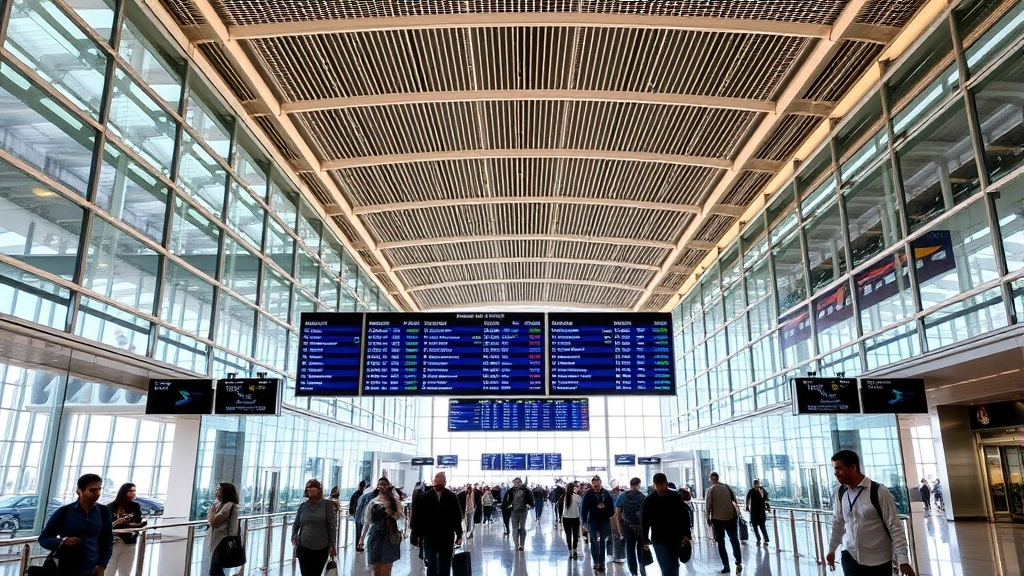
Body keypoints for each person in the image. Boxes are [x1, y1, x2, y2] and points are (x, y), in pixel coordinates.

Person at [827, 450, 916, 576]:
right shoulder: (840, 492)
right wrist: (832, 549)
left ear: (853, 468)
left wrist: (902, 559)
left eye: (839, 468)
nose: (836, 473)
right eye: (835, 469)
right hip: (850, 555)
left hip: (878, 560)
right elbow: (838, 522)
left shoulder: (879, 492)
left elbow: (894, 526)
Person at [39, 473, 113, 576]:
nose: (97, 494)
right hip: (67, 569)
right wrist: (63, 541)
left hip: (93, 569)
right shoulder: (64, 512)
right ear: (79, 491)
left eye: (99, 489)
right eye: (92, 490)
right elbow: (43, 539)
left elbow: (108, 540)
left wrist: (102, 565)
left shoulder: (103, 511)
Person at [410, 472, 463, 576]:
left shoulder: (451, 497)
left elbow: (457, 517)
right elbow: (418, 518)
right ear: (433, 482)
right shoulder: (424, 497)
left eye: (441, 483)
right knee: (431, 563)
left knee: (445, 563)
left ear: (445, 482)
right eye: (436, 482)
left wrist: (459, 534)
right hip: (430, 535)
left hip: (446, 535)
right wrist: (415, 536)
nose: (438, 485)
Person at [642, 473, 691, 576]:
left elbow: (684, 516)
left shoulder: (675, 497)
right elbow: (645, 520)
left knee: (674, 565)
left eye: (662, 484)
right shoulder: (649, 500)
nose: (660, 487)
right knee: (666, 566)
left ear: (666, 483)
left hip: (675, 537)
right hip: (658, 538)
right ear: (654, 484)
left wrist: (687, 534)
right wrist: (645, 538)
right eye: (658, 485)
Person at [292, 478, 337, 576]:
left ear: (318, 490)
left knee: (315, 573)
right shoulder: (303, 506)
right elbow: (296, 523)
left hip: (321, 547)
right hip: (303, 546)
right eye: (307, 488)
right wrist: (294, 536)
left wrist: (333, 545)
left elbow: (332, 526)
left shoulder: (327, 505)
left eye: (311, 487)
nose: (308, 490)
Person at [359, 477, 404, 576]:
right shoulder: (373, 502)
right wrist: (362, 538)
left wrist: (390, 513)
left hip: (390, 535)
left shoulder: (394, 502)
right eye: (380, 484)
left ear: (389, 486)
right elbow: (367, 521)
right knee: (376, 566)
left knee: (387, 567)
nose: (382, 486)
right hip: (375, 535)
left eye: (385, 484)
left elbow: (401, 516)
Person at [106, 482, 147, 576]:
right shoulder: (111, 506)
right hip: (115, 541)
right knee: (110, 568)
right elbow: (106, 525)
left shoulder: (135, 506)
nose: (133, 493)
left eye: (134, 491)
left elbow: (138, 522)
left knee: (126, 569)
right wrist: (115, 523)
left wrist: (127, 524)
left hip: (130, 540)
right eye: (130, 491)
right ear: (124, 492)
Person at [705, 471, 742, 574]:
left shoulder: (710, 490)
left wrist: (707, 518)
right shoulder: (727, 487)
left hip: (717, 520)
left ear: (711, 479)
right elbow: (735, 500)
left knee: (721, 543)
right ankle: (738, 562)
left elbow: (708, 505)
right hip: (731, 517)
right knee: (734, 539)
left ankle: (726, 566)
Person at [581, 475, 615, 573]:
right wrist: (584, 522)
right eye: (593, 483)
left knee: (602, 542)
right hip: (592, 521)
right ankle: (596, 561)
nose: (595, 485)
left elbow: (611, 509)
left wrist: (604, 507)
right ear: (592, 484)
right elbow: (584, 509)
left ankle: (602, 562)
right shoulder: (589, 494)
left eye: (597, 483)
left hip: (604, 521)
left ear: (600, 482)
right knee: (593, 541)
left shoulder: (606, 494)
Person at [615, 477, 647, 576]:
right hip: (640, 527)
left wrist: (619, 527)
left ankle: (633, 572)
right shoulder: (642, 496)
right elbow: (646, 515)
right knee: (640, 548)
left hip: (627, 526)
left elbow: (617, 513)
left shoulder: (622, 495)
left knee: (630, 548)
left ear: (630, 485)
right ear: (639, 484)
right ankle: (642, 569)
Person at [206, 482, 239, 576]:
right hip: (217, 542)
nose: (216, 490)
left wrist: (212, 512)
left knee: (214, 571)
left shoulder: (229, 505)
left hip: (223, 542)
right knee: (216, 570)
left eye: (218, 489)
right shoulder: (219, 505)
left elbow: (214, 523)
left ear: (225, 492)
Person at [502, 477, 534, 551]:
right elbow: (506, 502)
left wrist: (528, 506)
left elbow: (531, 500)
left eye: (518, 482)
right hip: (514, 511)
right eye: (516, 482)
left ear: (521, 482)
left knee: (522, 527)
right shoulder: (510, 491)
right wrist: (509, 507)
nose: (517, 484)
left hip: (523, 511)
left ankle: (521, 545)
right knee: (515, 528)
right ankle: (516, 544)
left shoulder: (526, 490)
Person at [560, 481, 583, 559]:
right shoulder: (577, 497)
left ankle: (570, 553)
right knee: (575, 535)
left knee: (568, 535)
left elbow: (559, 507)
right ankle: (575, 551)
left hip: (565, 518)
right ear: (573, 489)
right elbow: (582, 505)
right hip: (575, 518)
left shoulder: (563, 497)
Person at [745, 479, 770, 547]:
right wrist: (747, 506)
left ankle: (764, 540)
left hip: (759, 512)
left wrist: (762, 490)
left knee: (761, 527)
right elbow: (747, 499)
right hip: (755, 512)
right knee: (757, 527)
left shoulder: (762, 490)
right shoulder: (752, 491)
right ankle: (760, 539)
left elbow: (766, 497)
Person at [355, 484, 379, 553]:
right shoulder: (372, 497)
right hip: (361, 516)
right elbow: (365, 510)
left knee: (359, 532)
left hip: (359, 515)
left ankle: (359, 546)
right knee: (361, 532)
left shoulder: (368, 494)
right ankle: (359, 546)